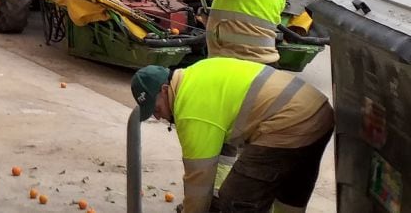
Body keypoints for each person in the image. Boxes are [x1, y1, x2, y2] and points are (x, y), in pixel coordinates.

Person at [131, 58, 334, 213]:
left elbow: (199, 182)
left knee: (236, 201)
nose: (158, 117)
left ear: (165, 90)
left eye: (156, 109)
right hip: (319, 112)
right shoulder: (196, 73)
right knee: (290, 194)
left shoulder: (189, 107)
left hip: (289, 121)